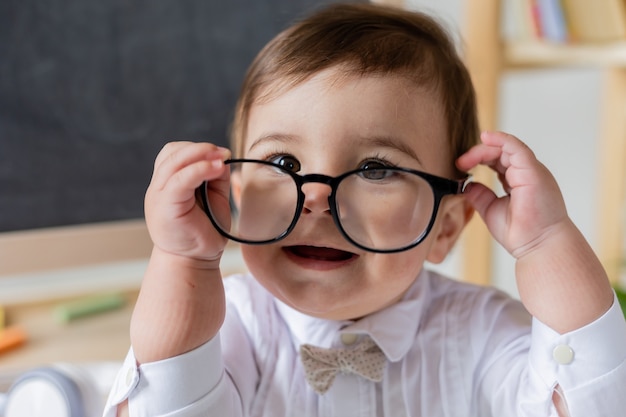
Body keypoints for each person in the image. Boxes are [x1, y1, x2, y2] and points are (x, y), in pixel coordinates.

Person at [103, 3, 626, 416]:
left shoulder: (483, 331)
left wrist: (546, 244)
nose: (317, 195)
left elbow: (587, 404)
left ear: (444, 227)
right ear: (235, 194)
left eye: (376, 168)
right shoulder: (227, 325)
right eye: (283, 160)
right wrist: (183, 261)